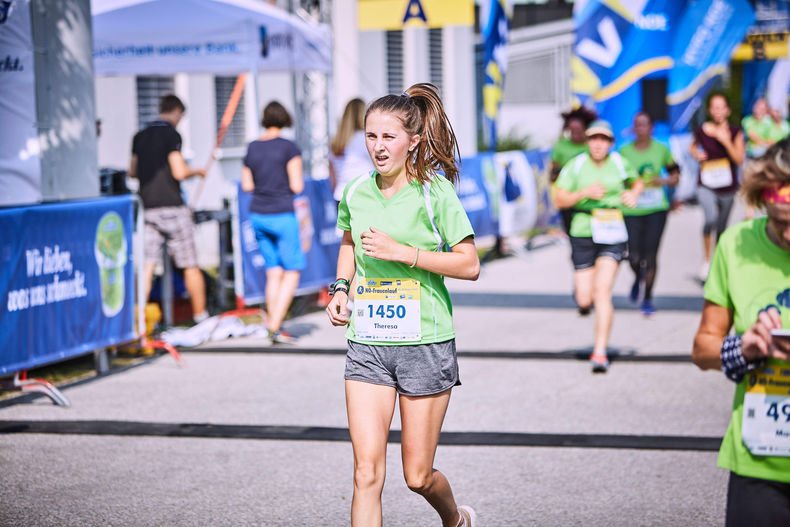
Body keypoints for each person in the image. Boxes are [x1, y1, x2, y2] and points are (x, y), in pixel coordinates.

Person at [325, 83, 480, 527]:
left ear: (412, 141)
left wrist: (404, 253)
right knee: (366, 472)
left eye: (388, 137)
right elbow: (349, 244)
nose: (377, 147)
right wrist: (340, 289)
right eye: (370, 136)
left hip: (425, 343)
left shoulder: (435, 194)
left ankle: (454, 519)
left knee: (417, 476)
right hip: (368, 341)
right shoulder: (356, 191)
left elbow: (469, 265)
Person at [692, 138, 790, 526]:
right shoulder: (737, 245)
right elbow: (702, 347)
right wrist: (743, 348)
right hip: (760, 460)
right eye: (781, 223)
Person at [554, 120, 643, 372]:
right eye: (594, 138)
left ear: (610, 143)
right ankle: (583, 299)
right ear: (588, 141)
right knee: (585, 298)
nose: (598, 144)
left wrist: (634, 194)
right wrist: (584, 193)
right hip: (582, 231)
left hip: (612, 231)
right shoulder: (577, 164)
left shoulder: (618, 162)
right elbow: (560, 199)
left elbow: (636, 181)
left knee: (602, 291)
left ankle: (600, 351)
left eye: (603, 139)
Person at [129, 93, 208, 323]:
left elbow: (132, 171)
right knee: (190, 264)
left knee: (147, 264)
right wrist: (198, 171)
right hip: (172, 207)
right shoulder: (171, 134)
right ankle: (200, 317)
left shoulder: (139, 136)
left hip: (147, 208)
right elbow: (179, 172)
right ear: (177, 112)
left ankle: (139, 322)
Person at [241, 101, 305, 344]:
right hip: (282, 214)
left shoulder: (253, 147)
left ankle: (273, 323)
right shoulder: (289, 147)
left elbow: (247, 185)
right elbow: (297, 184)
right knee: (292, 271)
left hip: (258, 214)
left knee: (273, 272)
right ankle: (275, 326)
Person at [619, 111, 680, 317]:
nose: (641, 128)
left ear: (651, 128)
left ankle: (648, 299)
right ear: (633, 128)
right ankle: (638, 277)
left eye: (645, 124)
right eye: (637, 124)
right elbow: (618, 179)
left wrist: (661, 181)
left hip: (656, 208)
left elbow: (675, 175)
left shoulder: (661, 149)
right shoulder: (624, 152)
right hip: (631, 209)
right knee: (634, 256)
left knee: (651, 255)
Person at [690, 92, 746, 281]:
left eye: (721, 107)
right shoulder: (701, 130)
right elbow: (693, 146)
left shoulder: (735, 131)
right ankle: (706, 260)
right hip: (706, 183)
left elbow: (739, 159)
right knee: (710, 218)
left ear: (728, 110)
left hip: (727, 186)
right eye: (714, 107)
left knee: (722, 227)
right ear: (709, 110)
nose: (718, 111)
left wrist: (725, 141)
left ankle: (719, 262)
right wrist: (696, 154)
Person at [549, 107, 598, 234]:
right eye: (571, 130)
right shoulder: (561, 145)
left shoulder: (592, 145)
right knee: (571, 231)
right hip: (569, 196)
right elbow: (554, 169)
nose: (574, 133)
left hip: (591, 196)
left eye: (578, 130)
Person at [329, 98, 373, 204]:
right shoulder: (365, 139)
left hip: (340, 195)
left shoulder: (335, 142)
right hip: (363, 195)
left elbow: (333, 178)